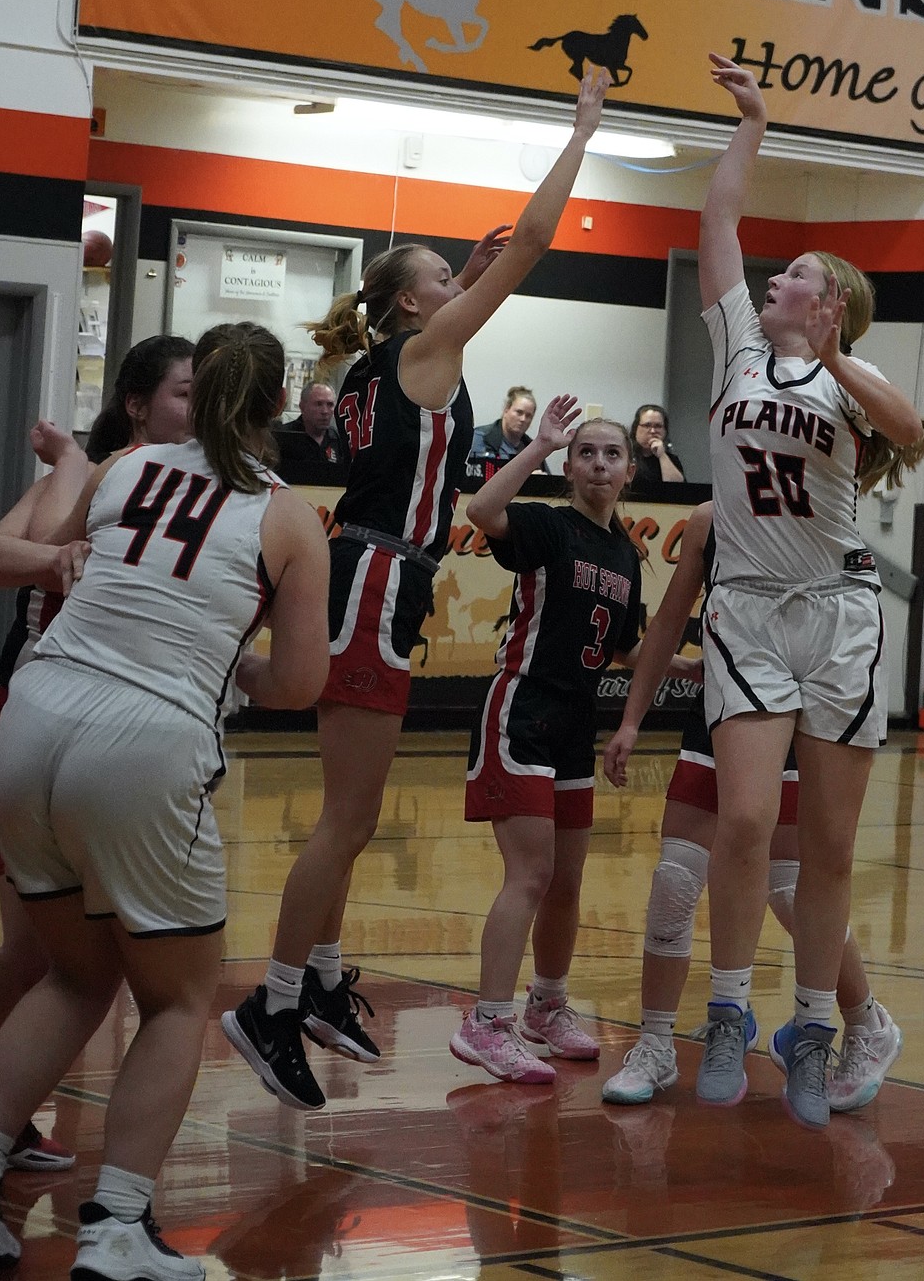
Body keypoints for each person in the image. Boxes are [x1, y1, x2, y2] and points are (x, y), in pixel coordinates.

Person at [222, 71, 612, 1112]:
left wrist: (465, 273)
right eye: (446, 274)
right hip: (378, 570)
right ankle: (274, 999)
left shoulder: (379, 364)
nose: (462, 282)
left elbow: (468, 290)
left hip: (379, 568)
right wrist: (580, 131)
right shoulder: (424, 350)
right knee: (346, 819)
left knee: (352, 813)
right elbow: (529, 245)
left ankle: (324, 976)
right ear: (411, 301)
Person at [0, 321, 330, 1279]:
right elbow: (302, 683)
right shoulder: (289, 516)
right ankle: (118, 1227)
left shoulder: (122, 468)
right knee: (176, 999)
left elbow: (35, 559)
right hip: (142, 739)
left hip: (31, 716)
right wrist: (241, 665)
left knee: (71, 972)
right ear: (273, 405)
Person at [693, 51, 924, 1129]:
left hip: (836, 615)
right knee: (744, 821)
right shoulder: (738, 339)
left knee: (827, 847)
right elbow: (722, 219)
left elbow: (914, 431)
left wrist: (840, 358)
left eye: (796, 272)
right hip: (744, 603)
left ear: (829, 301)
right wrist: (754, 121)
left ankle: (818, 1027)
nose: (773, 277)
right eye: (775, 271)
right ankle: (730, 1012)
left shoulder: (849, 380)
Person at [602, 502, 901, 1111]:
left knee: (794, 890)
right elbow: (667, 622)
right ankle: (657, 1043)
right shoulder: (712, 521)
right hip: (723, 704)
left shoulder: (825, 514)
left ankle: (866, 1023)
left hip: (796, 717)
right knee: (675, 881)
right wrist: (631, 719)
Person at [0, 335, 194, 1176]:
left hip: (121, 741)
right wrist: (57, 553)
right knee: (44, 953)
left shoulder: (213, 494)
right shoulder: (97, 471)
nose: (197, 407)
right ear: (140, 405)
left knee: (71, 958)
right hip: (31, 715)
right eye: (183, 392)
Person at [451, 398, 693, 1084]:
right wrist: (537, 446)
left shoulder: (624, 552)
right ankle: (486, 1020)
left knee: (565, 881)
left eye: (611, 453)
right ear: (569, 465)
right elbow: (480, 511)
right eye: (585, 451)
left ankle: (546, 1007)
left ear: (629, 469)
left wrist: (676, 668)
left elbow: (623, 649)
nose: (598, 462)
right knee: (528, 873)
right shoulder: (548, 526)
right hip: (521, 707)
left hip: (574, 726)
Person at [273, 381, 352, 486]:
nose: (325, 411)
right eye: (318, 404)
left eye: (330, 405)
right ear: (302, 406)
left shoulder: (339, 440)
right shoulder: (284, 437)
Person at [466, 386, 549, 480]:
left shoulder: (534, 449)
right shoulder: (477, 439)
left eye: (528, 416)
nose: (523, 419)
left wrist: (536, 480)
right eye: (519, 412)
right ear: (506, 410)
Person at [627, 404, 685, 494]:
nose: (653, 431)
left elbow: (677, 489)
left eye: (658, 426)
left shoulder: (671, 459)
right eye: (647, 425)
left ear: (665, 431)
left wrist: (662, 455)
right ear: (636, 429)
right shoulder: (626, 456)